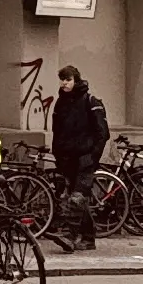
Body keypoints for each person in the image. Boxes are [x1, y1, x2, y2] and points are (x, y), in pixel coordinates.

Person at [47, 63, 110, 251]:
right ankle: (89, 238)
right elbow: (57, 130)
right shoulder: (61, 103)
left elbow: (102, 133)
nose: (64, 83)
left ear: (76, 80)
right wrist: (57, 153)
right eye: (62, 80)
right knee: (76, 199)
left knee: (77, 197)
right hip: (67, 158)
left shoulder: (91, 102)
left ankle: (69, 236)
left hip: (85, 158)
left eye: (68, 80)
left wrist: (93, 156)